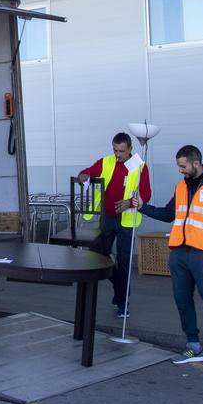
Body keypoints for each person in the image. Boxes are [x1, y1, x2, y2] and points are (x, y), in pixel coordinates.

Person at [127, 144, 203, 364]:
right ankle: (194, 346)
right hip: (179, 251)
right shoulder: (180, 187)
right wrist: (142, 206)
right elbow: (168, 214)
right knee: (181, 298)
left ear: (196, 163)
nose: (180, 170)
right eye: (178, 166)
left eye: (183, 166)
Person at [76, 132, 152, 318]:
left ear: (130, 149)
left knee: (124, 261)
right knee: (98, 256)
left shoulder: (139, 166)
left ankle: (122, 302)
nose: (118, 154)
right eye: (115, 150)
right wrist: (83, 175)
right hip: (107, 218)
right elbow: (88, 172)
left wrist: (129, 202)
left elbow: (146, 194)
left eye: (122, 151)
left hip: (126, 220)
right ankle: (119, 290)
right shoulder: (106, 161)